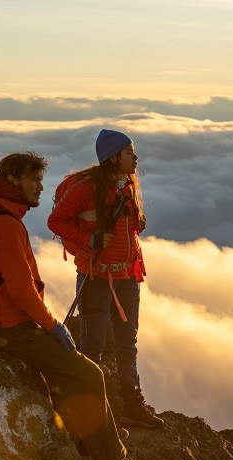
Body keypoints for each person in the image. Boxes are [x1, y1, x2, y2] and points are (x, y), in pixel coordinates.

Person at [0, 150, 151, 460]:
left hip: (4, 322)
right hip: (13, 328)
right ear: (12, 181)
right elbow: (21, 290)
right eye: (33, 180)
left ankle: (90, 436)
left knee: (72, 372)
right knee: (88, 373)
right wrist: (52, 325)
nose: (40, 187)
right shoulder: (6, 225)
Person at [48, 129, 165, 429]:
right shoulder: (86, 189)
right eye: (129, 152)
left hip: (127, 274)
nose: (135, 157)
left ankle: (130, 404)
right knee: (92, 347)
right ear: (114, 158)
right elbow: (56, 221)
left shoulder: (125, 185)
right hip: (96, 275)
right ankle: (92, 415)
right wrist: (91, 240)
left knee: (128, 343)